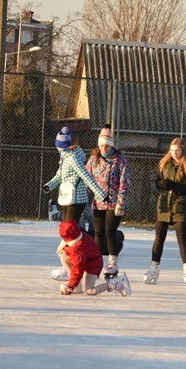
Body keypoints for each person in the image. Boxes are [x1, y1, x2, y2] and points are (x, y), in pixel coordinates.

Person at [43, 126, 108, 281]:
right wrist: (48, 185)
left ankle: (74, 268)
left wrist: (100, 195)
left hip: (76, 200)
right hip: (67, 198)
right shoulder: (65, 157)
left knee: (70, 234)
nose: (57, 150)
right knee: (72, 232)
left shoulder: (72, 158)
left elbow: (86, 176)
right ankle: (74, 264)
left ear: (63, 146)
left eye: (58, 147)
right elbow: (59, 176)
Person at [145, 138, 186, 286]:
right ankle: (153, 269)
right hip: (163, 207)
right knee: (158, 238)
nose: (175, 153)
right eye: (173, 150)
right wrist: (161, 184)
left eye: (178, 150)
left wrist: (177, 187)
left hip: (179, 208)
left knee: (182, 238)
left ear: (183, 151)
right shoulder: (164, 164)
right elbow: (157, 182)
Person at [86, 124, 132, 279]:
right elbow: (87, 179)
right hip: (98, 203)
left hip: (114, 204)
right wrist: (83, 197)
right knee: (98, 233)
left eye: (106, 146)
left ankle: (113, 263)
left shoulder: (120, 161)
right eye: (101, 146)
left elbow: (124, 183)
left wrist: (121, 203)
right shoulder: (93, 160)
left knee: (109, 232)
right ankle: (96, 261)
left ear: (111, 145)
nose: (104, 149)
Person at [56, 221, 130, 297]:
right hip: (87, 260)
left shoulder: (78, 249)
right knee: (63, 256)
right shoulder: (79, 235)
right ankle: (77, 286)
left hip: (93, 265)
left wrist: (70, 286)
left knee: (90, 291)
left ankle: (116, 283)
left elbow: (78, 269)